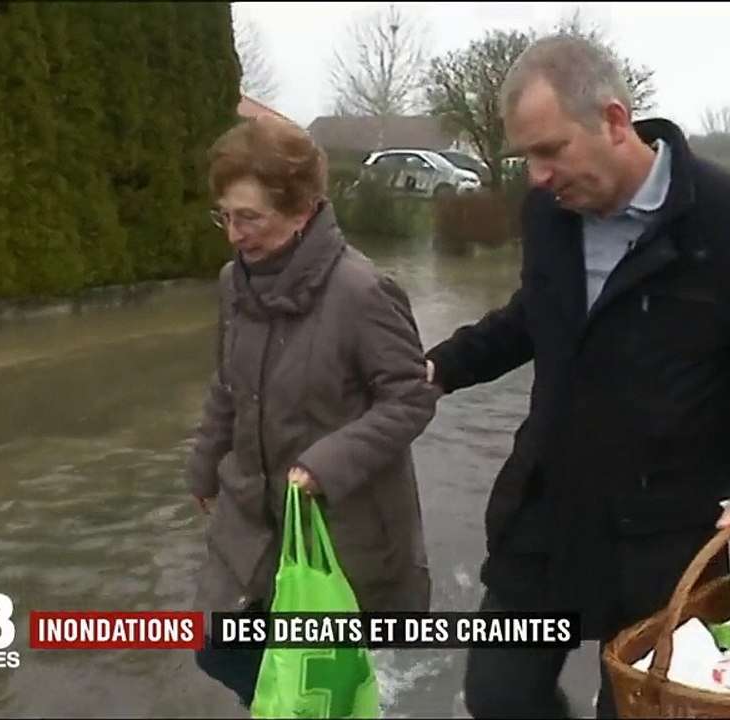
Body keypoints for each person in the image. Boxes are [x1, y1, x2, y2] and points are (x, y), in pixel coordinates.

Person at [422, 35, 730, 719]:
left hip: (666, 537)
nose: (538, 175)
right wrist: (442, 366)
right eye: (527, 156)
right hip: (548, 511)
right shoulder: (549, 217)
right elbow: (537, 316)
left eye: (551, 150)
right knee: (497, 698)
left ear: (614, 121)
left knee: (636, 710)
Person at [184, 114, 436, 708]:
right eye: (225, 215)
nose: (234, 235)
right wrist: (203, 461)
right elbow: (228, 383)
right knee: (218, 646)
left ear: (301, 210)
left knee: (307, 684)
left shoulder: (362, 292)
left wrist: (326, 462)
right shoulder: (233, 284)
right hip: (253, 516)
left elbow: (411, 396)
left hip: (338, 529)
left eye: (250, 218)